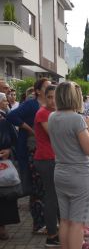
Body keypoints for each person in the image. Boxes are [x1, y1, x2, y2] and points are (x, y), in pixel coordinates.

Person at [48, 81, 89, 249]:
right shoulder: (77, 120)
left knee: (66, 221)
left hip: (60, 172)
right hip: (79, 174)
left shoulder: (52, 117)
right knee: (78, 223)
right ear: (75, 97)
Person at [7, 78, 50, 234]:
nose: (50, 88)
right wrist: (29, 129)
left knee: (45, 188)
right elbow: (12, 116)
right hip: (33, 151)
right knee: (37, 188)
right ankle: (38, 224)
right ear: (38, 91)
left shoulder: (49, 105)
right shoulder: (32, 104)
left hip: (45, 151)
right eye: (46, 87)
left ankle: (47, 222)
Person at [33, 85, 61, 247]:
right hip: (46, 159)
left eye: (55, 97)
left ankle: (58, 230)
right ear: (44, 97)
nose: (52, 100)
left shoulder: (53, 112)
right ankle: (51, 235)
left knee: (55, 197)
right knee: (51, 197)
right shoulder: (43, 113)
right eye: (49, 97)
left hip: (53, 158)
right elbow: (55, 134)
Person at [0, 92, 19, 240]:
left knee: (4, 195)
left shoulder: (5, 119)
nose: (7, 102)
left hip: (3, 163)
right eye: (4, 100)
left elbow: (15, 139)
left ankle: (2, 227)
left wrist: (9, 150)